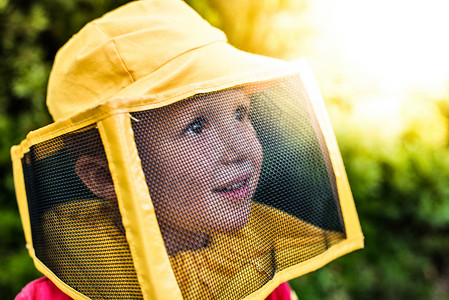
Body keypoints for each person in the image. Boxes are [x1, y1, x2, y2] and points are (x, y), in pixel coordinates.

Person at [13, 0, 355, 299]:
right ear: (106, 175)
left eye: (240, 113)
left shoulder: (258, 276)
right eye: (196, 126)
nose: (240, 148)